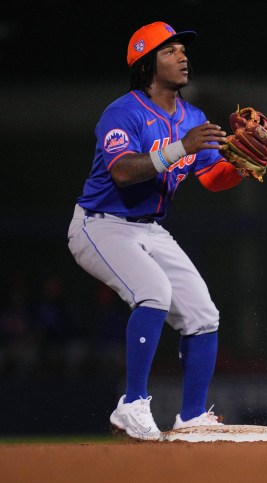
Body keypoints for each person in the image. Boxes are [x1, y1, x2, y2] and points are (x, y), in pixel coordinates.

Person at [67, 21, 250, 440]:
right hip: (100, 224)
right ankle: (131, 405)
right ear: (147, 63)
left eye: (183, 49)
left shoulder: (193, 116)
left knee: (203, 314)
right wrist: (181, 147)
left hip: (149, 229)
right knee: (153, 293)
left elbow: (210, 177)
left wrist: (240, 165)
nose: (183, 56)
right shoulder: (123, 112)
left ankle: (191, 418)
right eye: (170, 51)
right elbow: (122, 172)